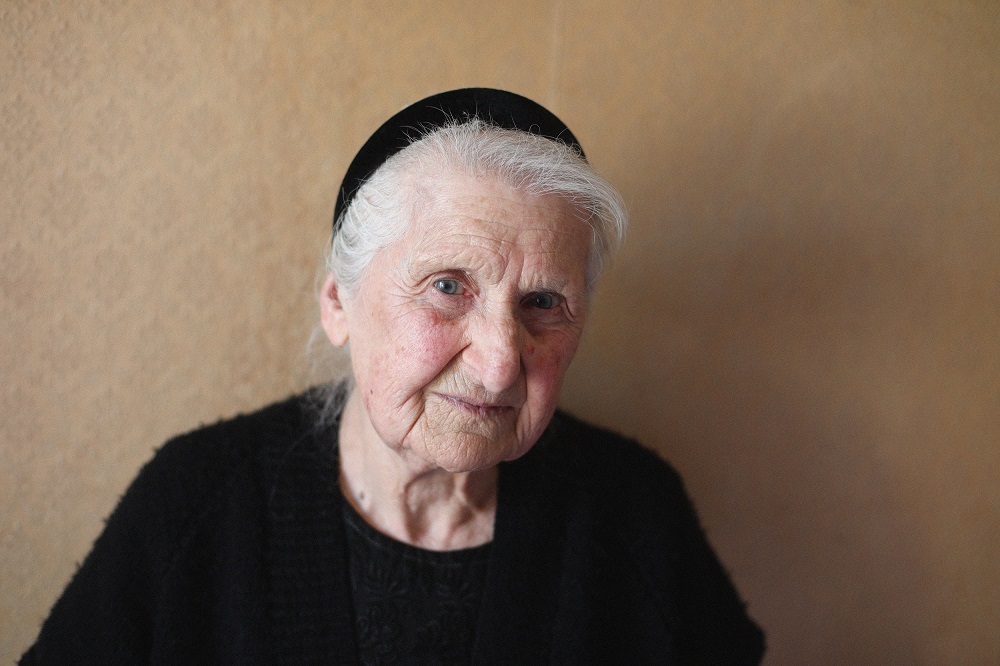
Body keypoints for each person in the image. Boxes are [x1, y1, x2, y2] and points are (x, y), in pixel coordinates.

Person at [22, 88, 765, 664]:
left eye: (544, 302)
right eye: (447, 286)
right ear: (339, 303)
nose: (500, 360)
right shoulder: (195, 502)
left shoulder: (637, 511)